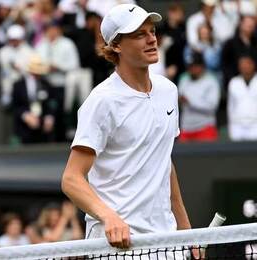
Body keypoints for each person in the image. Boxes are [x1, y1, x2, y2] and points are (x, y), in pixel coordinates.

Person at [61, 4, 193, 250]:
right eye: (139, 35)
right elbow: (71, 179)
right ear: (117, 46)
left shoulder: (168, 90)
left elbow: (163, 160)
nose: (152, 39)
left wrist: (186, 230)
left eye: (152, 32)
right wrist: (109, 217)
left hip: (166, 240)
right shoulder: (102, 101)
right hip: (116, 244)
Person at [178, 52, 220, 142]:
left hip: (205, 127)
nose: (192, 69)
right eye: (190, 66)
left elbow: (212, 107)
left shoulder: (211, 82)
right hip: (186, 128)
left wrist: (190, 102)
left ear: (202, 66)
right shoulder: (183, 81)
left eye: (195, 66)